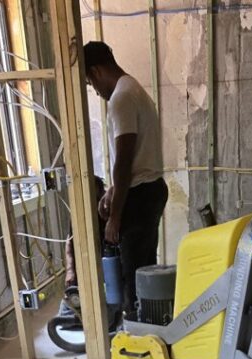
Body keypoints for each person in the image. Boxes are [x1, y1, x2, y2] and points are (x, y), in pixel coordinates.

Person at [83, 40, 168, 318]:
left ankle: (138, 331)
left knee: (132, 277)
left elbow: (124, 159)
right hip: (150, 190)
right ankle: (151, 324)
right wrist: (112, 191)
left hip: (140, 197)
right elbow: (137, 158)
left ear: (96, 72)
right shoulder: (133, 89)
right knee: (146, 272)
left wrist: (115, 217)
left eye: (90, 84)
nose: (96, 91)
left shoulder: (121, 97)